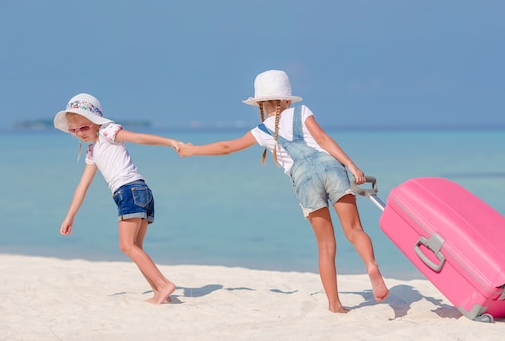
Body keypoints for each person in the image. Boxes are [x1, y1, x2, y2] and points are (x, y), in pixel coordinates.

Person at [178, 70, 389, 313]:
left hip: (304, 180)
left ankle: (335, 304)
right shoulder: (302, 112)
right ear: (287, 100)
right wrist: (352, 166)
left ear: (260, 104)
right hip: (331, 168)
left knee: (326, 246)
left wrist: (193, 150)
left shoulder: (262, 131)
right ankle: (371, 264)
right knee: (354, 230)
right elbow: (322, 140)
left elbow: (227, 147)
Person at [54, 93, 182, 305]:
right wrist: (70, 216)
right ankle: (159, 290)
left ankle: (163, 285)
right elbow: (82, 186)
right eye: (73, 130)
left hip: (129, 191)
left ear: (95, 122)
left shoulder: (107, 132)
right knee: (136, 247)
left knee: (126, 246)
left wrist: (170, 142)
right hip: (140, 192)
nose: (79, 133)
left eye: (84, 127)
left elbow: (138, 138)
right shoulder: (92, 150)